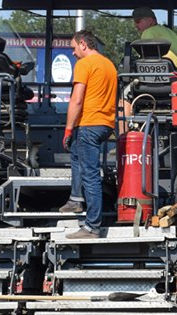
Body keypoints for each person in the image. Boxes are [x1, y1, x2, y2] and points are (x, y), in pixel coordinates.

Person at [61, 30, 118, 239]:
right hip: (105, 125)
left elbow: (76, 100)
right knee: (76, 152)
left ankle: (92, 226)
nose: (73, 53)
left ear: (83, 44)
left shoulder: (84, 65)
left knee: (91, 175)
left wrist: (68, 129)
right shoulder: (109, 65)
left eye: (74, 48)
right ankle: (75, 199)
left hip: (89, 124)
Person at [132, 7, 177, 71]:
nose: (135, 25)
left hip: (166, 71)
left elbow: (146, 59)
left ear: (150, 21)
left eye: (138, 21)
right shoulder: (169, 31)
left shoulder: (149, 31)